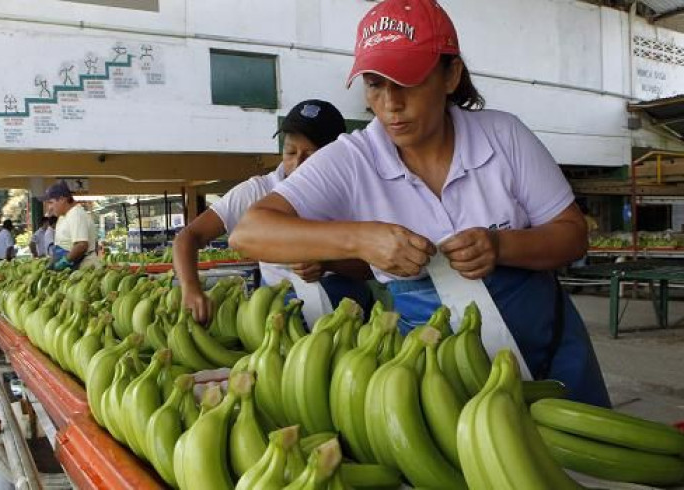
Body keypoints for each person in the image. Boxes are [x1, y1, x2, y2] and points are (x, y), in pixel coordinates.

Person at [230, 0, 610, 407]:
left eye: (408, 81)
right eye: (375, 84)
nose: (391, 103)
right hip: (440, 376)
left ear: (451, 75)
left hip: (551, 349)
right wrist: (361, 240)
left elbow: (572, 236)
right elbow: (249, 232)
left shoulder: (503, 136)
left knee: (584, 465)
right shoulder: (353, 159)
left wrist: (501, 247)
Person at [173, 100, 373, 324]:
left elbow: (373, 268)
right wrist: (190, 288)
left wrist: (329, 264)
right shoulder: (258, 191)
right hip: (275, 308)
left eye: (311, 154)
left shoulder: (355, 193)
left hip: (345, 306)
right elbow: (188, 237)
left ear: (335, 155)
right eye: (290, 152)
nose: (298, 163)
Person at [41, 181, 99, 270]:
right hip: (72, 270)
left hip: (83, 270)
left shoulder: (76, 214)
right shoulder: (63, 216)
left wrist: (64, 262)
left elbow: (81, 245)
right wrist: (52, 263)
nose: (49, 207)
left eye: (51, 202)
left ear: (62, 199)